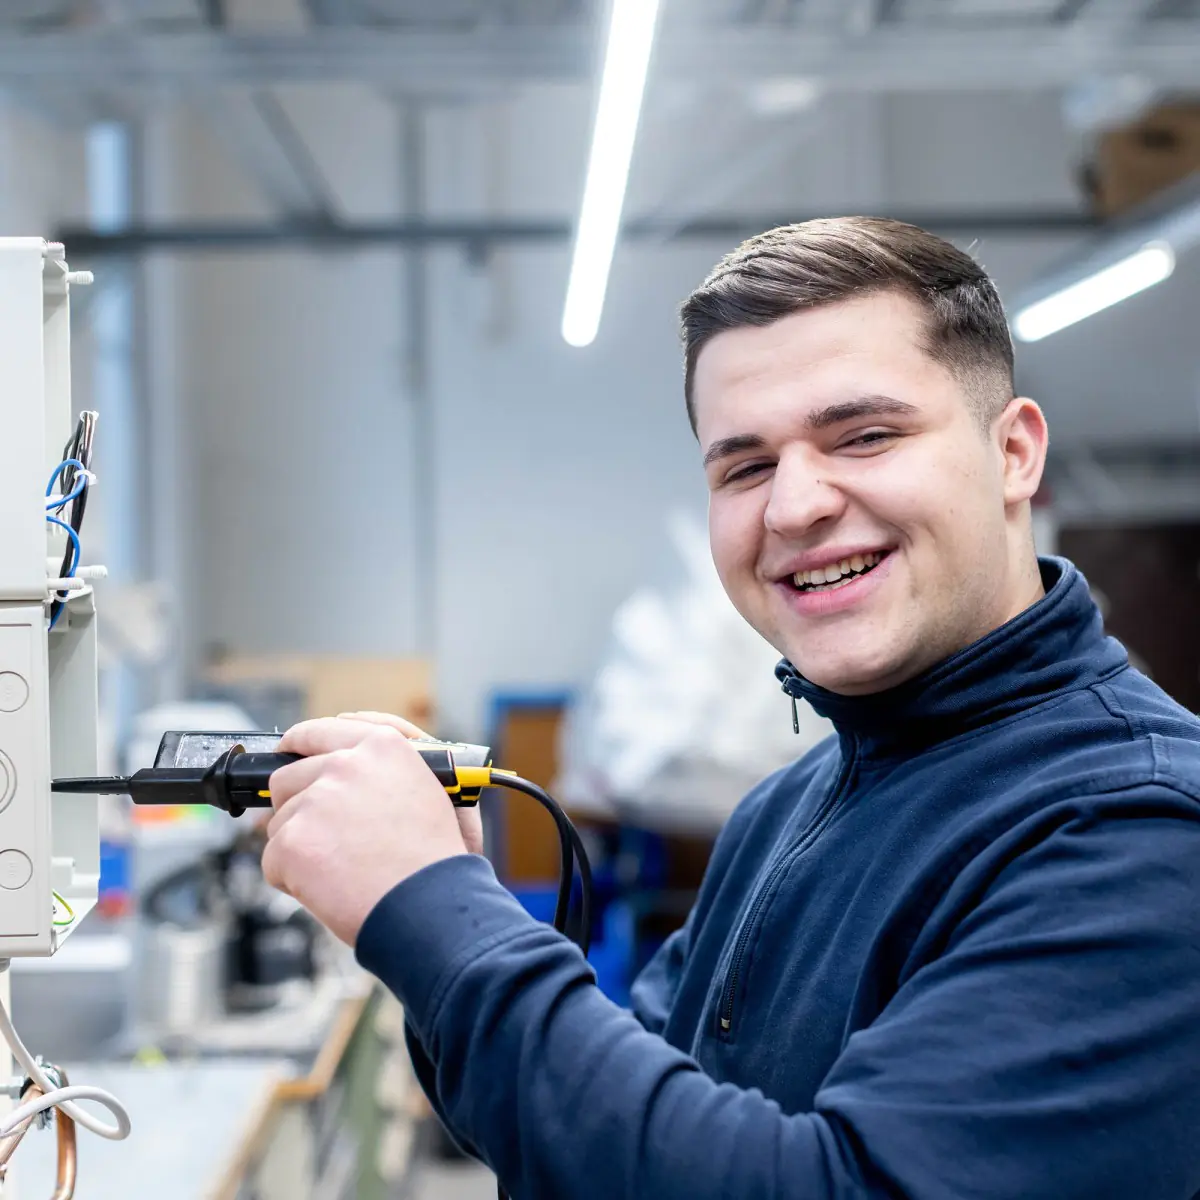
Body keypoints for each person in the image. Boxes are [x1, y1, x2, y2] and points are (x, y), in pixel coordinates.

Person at [260, 217, 1200, 1199]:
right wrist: (453, 890)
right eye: (745, 466)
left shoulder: (1139, 828)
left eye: (865, 436)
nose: (794, 507)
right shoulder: (789, 808)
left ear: (1013, 453)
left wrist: (436, 915)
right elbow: (606, 1139)